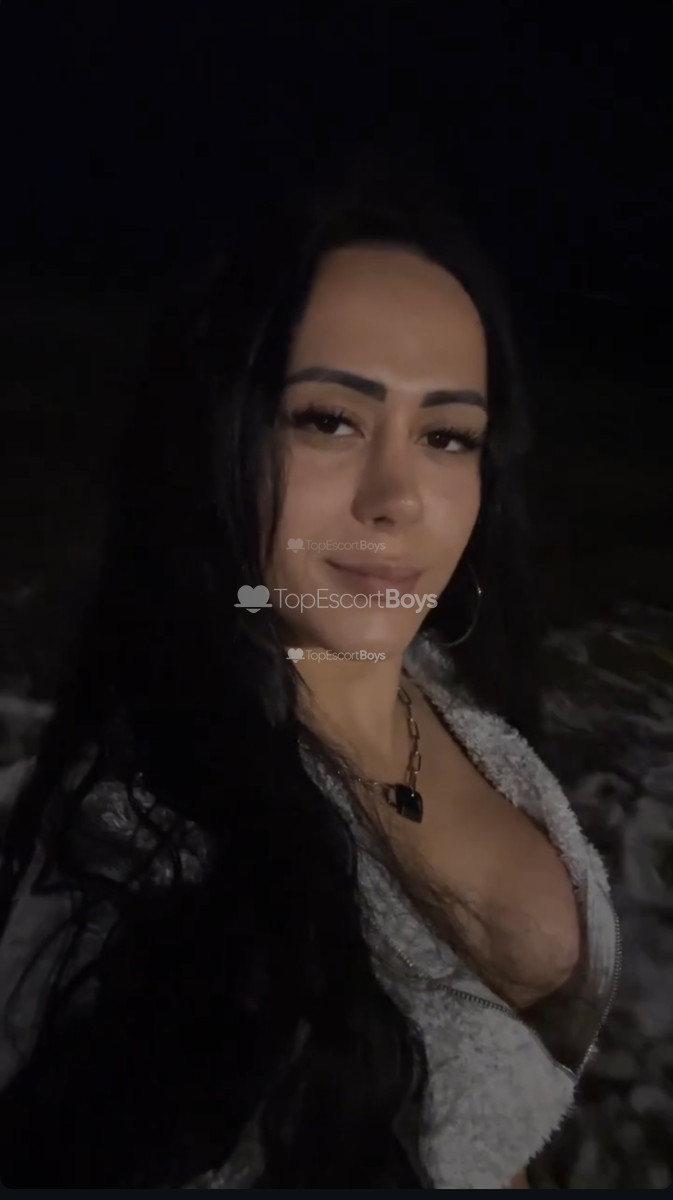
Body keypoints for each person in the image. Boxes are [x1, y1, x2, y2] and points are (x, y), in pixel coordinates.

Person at [0, 164, 621, 1188]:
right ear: (218, 437)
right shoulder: (147, 859)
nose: (396, 497)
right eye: (328, 419)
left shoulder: (446, 690)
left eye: (446, 435)